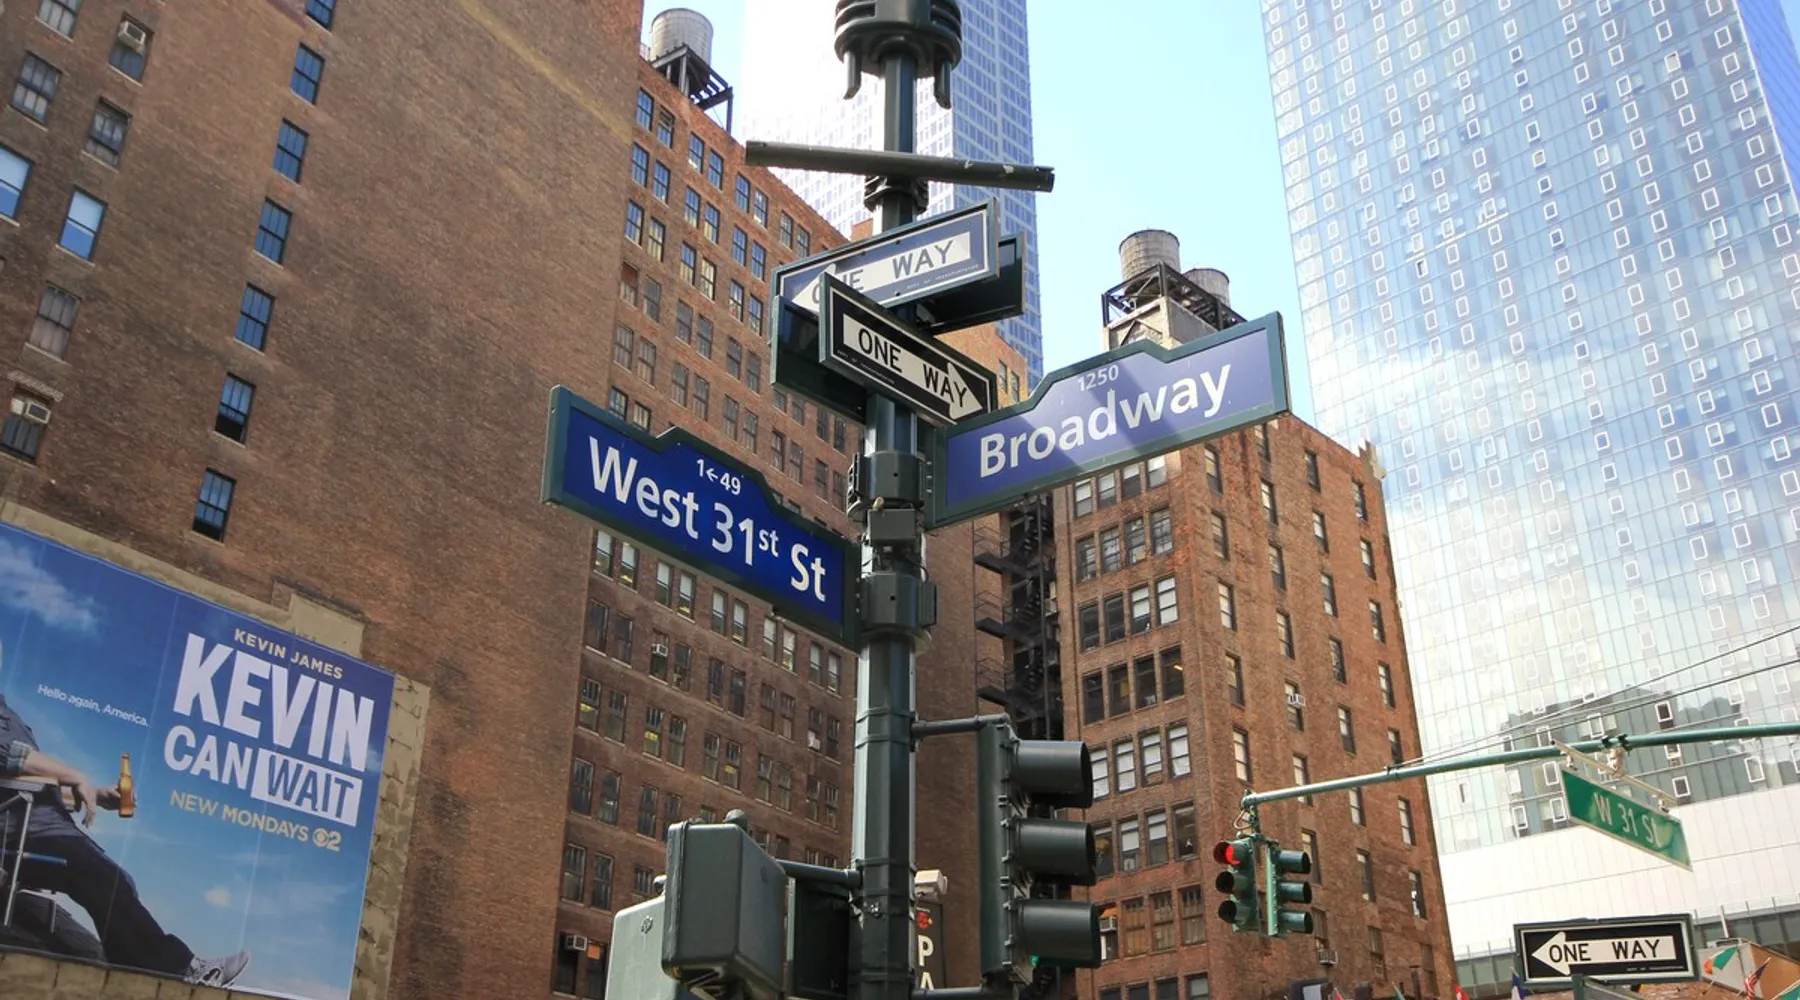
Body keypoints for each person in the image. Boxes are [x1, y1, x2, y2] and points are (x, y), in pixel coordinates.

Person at [0, 692, 250, 987]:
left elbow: (23, 783)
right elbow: (10, 754)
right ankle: (177, 970)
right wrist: (76, 776)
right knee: (97, 874)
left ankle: (133, 974)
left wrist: (97, 795)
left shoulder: (11, 715)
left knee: (118, 880)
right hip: (19, 833)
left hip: (43, 828)